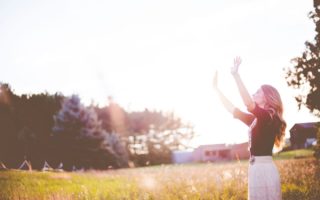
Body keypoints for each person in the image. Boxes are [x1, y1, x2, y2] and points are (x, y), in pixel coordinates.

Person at [213, 57, 286, 200]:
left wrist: (236, 75)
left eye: (258, 92)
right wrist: (216, 90)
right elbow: (232, 109)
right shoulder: (256, 119)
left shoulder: (269, 118)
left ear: (267, 97)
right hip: (255, 169)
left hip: (264, 170)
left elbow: (248, 103)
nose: (254, 94)